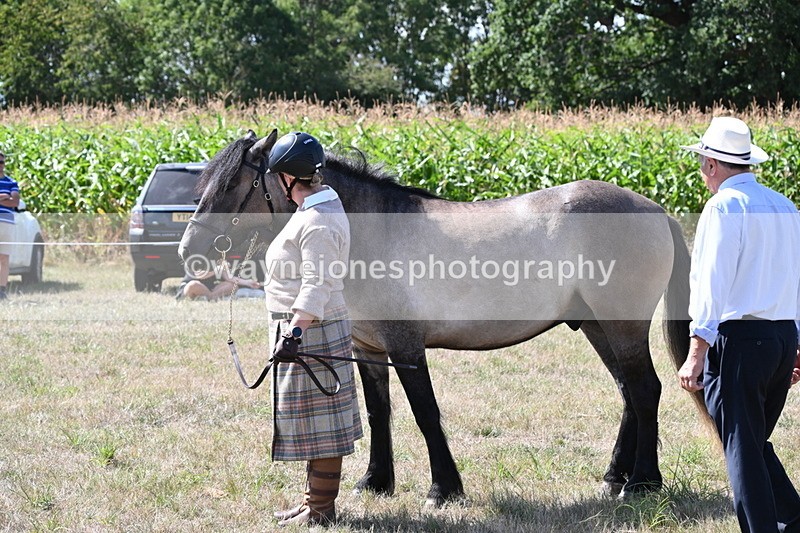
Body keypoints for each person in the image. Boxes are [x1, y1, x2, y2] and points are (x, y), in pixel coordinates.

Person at [678, 117, 800, 533]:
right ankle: (791, 515)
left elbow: (712, 283)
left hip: (742, 341)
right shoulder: (785, 206)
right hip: (783, 338)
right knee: (748, 440)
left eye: (701, 162)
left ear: (713, 164)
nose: (701, 171)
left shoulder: (723, 207)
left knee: (742, 449)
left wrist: (696, 353)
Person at [263, 132, 362, 526]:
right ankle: (312, 502)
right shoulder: (315, 209)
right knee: (313, 424)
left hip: (311, 331)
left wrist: (295, 332)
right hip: (305, 328)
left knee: (322, 425)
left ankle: (321, 509)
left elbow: (317, 283)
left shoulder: (318, 221)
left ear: (289, 176)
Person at [0, 152, 21, 301]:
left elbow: (15, 202)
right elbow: (9, 199)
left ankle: (2, 290)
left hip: (7, 223)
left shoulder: (11, 182)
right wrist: (4, 197)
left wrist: (6, 199)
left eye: (1, 162)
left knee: (4, 258)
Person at [175, 266, 261, 301]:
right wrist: (217, 269)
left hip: (209, 290)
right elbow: (200, 275)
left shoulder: (218, 261)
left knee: (231, 285)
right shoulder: (195, 258)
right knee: (194, 284)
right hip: (190, 289)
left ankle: (210, 297)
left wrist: (248, 283)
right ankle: (212, 297)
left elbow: (229, 278)